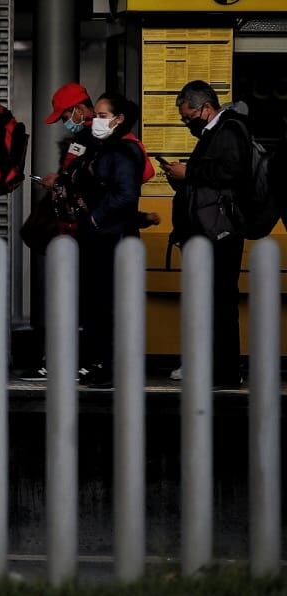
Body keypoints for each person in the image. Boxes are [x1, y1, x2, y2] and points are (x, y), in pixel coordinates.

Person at [161, 80, 251, 388]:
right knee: (211, 302)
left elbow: (232, 173)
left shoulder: (229, 131)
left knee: (221, 302)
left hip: (221, 233)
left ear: (205, 108)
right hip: (209, 232)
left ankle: (225, 372)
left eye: (188, 117)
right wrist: (182, 178)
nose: (187, 123)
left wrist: (190, 172)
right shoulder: (215, 132)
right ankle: (214, 367)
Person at [58, 93, 144, 388]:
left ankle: (108, 367)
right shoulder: (103, 149)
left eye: (103, 116)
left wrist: (95, 218)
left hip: (111, 237)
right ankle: (98, 364)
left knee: (106, 303)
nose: (96, 120)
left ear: (119, 120)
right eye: (97, 115)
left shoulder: (122, 152)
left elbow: (126, 195)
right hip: (98, 236)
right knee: (96, 302)